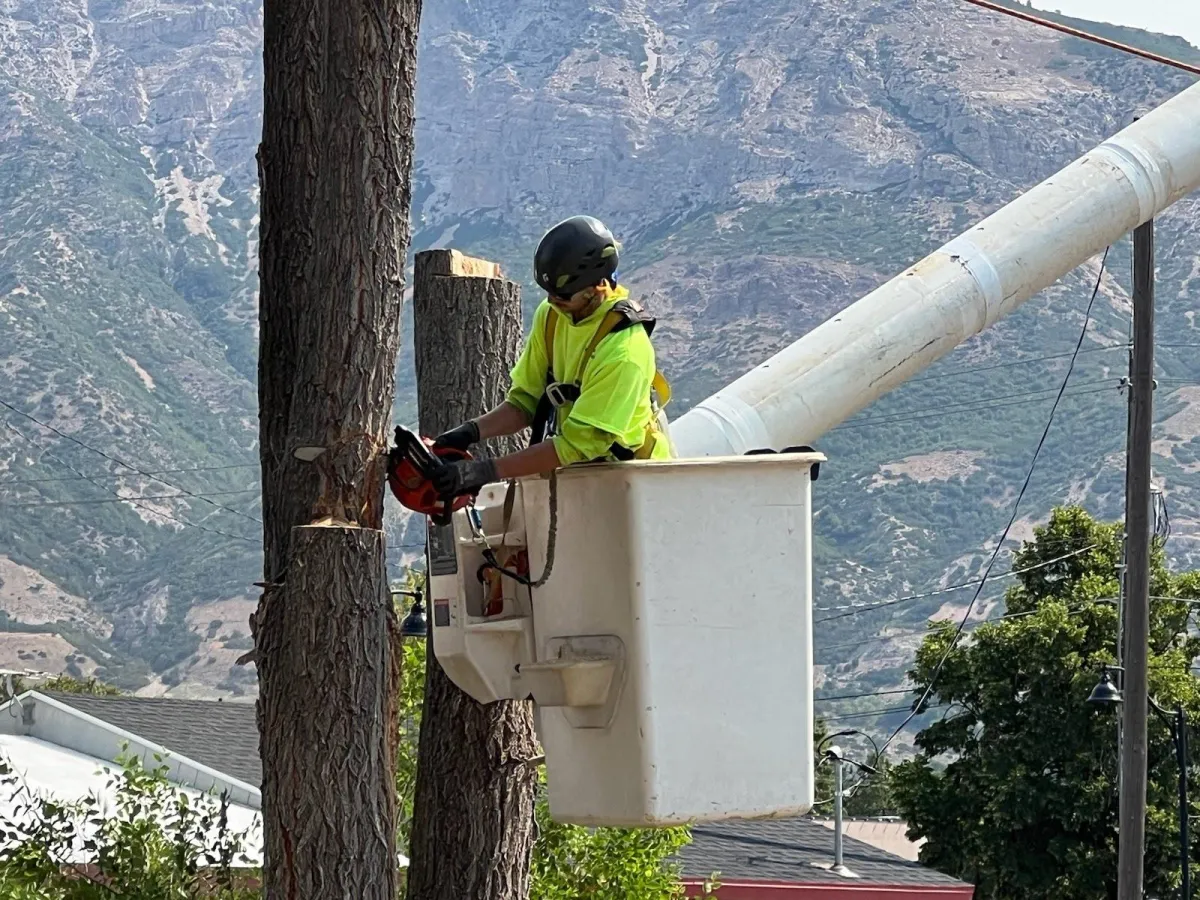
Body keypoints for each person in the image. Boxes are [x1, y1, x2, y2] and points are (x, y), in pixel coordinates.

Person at [430, 214, 672, 500]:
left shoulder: (625, 351)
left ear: (598, 286)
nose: (553, 301)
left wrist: (485, 472)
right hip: (581, 472)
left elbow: (576, 445)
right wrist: (468, 432)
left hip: (634, 482)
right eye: (549, 293)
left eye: (563, 295)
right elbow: (525, 402)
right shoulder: (552, 317)